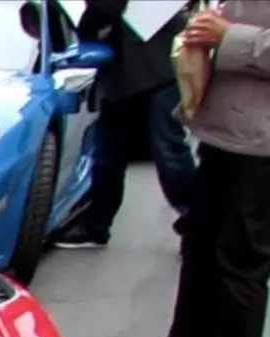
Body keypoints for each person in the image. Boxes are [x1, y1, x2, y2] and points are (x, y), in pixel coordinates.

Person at [118, 0, 269, 337]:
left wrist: (228, 36)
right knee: (200, 243)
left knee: (241, 257)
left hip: (260, 143)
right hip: (226, 129)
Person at [54, 0, 198, 248]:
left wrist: (90, 19)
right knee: (109, 152)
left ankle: (198, 225)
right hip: (126, 72)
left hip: (156, 67)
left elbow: (107, 7)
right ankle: (96, 225)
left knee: (166, 150)